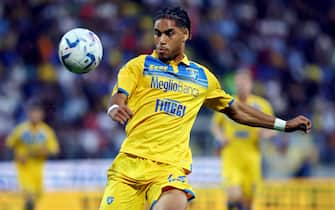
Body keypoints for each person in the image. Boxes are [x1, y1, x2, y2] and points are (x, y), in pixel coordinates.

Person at [100, 6, 312, 210]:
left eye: (169, 33)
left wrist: (284, 125)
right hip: (129, 164)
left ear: (185, 34)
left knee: (175, 202)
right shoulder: (139, 66)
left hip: (169, 168)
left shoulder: (202, 77)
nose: (161, 40)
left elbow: (236, 109)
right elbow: (118, 97)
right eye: (157, 34)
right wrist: (114, 109)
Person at [211, 69, 277, 210]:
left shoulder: (262, 105)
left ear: (250, 84)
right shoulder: (227, 103)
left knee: (248, 203)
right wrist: (220, 137)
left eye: (244, 82)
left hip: (252, 159)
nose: (241, 86)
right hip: (231, 157)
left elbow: (273, 128)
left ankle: (233, 205)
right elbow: (215, 126)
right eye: (238, 83)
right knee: (234, 194)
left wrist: (265, 134)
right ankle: (232, 202)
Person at [6, 98, 60, 210]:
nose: (35, 115)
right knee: (29, 199)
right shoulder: (20, 130)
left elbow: (55, 149)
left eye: (38, 112)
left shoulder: (46, 131)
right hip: (23, 171)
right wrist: (16, 154)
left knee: (35, 201)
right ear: (28, 113)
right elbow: (9, 144)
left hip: (39, 173)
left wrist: (44, 151)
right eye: (33, 112)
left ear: (42, 114)